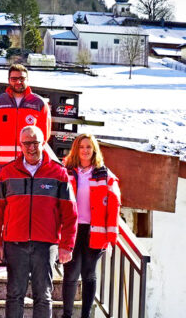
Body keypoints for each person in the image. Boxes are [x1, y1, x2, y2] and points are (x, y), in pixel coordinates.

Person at [0, 125, 78, 318]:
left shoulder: (58, 173)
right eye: (26, 143)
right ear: (20, 145)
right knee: (14, 295)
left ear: (43, 143)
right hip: (15, 244)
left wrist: (67, 246)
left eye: (35, 142)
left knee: (43, 296)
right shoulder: (7, 172)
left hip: (46, 246)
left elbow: (70, 214)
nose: (31, 147)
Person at [62, 134, 121, 318]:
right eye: (82, 147)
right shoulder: (66, 171)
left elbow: (114, 206)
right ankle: (67, 314)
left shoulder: (105, 175)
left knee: (88, 274)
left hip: (94, 231)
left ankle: (86, 315)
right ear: (76, 150)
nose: (85, 150)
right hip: (72, 230)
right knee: (71, 274)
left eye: (89, 147)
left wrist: (112, 238)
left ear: (94, 150)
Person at [0, 64, 51, 180]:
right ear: (8, 80)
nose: (18, 82)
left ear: (27, 79)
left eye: (22, 78)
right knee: (2, 196)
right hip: (3, 162)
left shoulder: (39, 103)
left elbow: (44, 135)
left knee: (26, 197)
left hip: (29, 163)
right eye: (14, 79)